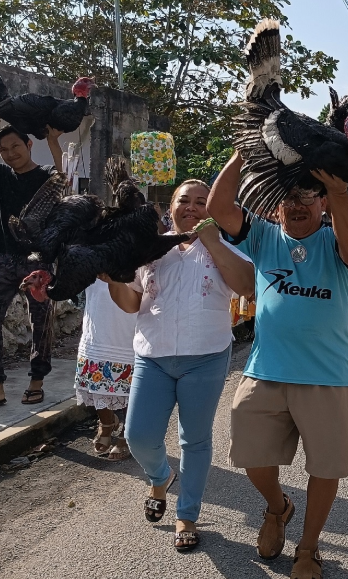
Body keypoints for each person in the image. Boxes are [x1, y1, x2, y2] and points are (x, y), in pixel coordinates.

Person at [208, 153, 348, 579]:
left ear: (322, 205)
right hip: (265, 370)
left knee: (325, 467)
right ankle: (278, 507)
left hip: (327, 377)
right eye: (289, 197)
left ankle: (309, 548)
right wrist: (247, 151)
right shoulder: (261, 236)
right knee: (247, 453)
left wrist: (337, 191)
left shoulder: (336, 238)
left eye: (307, 197)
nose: (298, 205)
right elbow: (218, 209)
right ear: (275, 203)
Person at [104, 180, 255, 551]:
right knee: (137, 435)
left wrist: (214, 241)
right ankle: (160, 476)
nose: (191, 207)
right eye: (183, 201)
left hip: (205, 358)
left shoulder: (227, 246)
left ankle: (186, 514)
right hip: (152, 358)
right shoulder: (151, 250)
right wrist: (114, 277)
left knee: (195, 439)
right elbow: (129, 303)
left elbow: (247, 285)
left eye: (202, 202)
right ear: (169, 207)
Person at [0, 122, 65, 408]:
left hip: (38, 260)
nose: (10, 153)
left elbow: (65, 177)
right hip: (3, 258)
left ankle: (37, 381)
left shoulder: (46, 175)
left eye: (15, 146)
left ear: (29, 145)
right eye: (3, 149)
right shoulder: (2, 175)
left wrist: (54, 141)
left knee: (41, 321)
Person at [73, 279, 136, 460]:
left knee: (131, 378)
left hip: (131, 309)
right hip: (98, 310)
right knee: (96, 368)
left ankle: (128, 432)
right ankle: (106, 423)